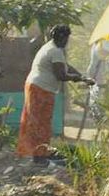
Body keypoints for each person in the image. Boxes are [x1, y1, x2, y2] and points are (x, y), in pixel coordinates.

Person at [17, 25, 93, 165]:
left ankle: (37, 153)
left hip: (36, 86)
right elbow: (62, 75)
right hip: (41, 89)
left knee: (36, 121)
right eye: (67, 38)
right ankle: (40, 156)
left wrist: (82, 76)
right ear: (63, 37)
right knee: (41, 122)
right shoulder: (56, 50)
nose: (67, 41)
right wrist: (78, 78)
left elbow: (65, 66)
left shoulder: (50, 47)